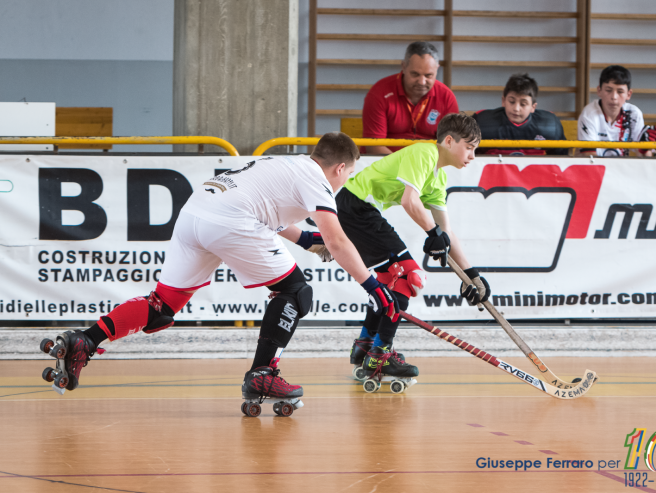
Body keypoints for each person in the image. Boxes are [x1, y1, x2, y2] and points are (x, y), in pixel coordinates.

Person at [39, 132, 399, 406]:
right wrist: (374, 287)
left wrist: (305, 240)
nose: (342, 183)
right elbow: (336, 240)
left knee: (161, 307)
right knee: (295, 291)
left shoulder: (282, 164)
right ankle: (262, 374)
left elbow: (263, 211)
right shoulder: (317, 178)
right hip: (229, 221)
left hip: (195, 215)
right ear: (340, 168)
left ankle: (84, 340)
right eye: (347, 176)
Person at [338, 113, 491, 383]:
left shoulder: (437, 179)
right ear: (448, 141)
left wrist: (472, 275)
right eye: (469, 147)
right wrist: (432, 232)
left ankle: (366, 346)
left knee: (388, 281)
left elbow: (447, 232)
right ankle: (380, 355)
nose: (472, 156)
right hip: (354, 206)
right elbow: (411, 201)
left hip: (356, 210)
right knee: (408, 277)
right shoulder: (425, 153)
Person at [362, 41, 459, 155]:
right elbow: (374, 147)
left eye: (429, 75)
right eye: (415, 74)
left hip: (429, 166)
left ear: (437, 69)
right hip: (386, 167)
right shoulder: (379, 93)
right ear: (403, 66)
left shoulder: (446, 97)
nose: (422, 82)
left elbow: (451, 145)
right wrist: (406, 168)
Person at [472, 73, 567, 156]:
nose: (516, 109)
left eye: (523, 104)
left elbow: (562, 160)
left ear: (533, 107)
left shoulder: (550, 125)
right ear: (503, 101)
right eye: (512, 101)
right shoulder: (481, 122)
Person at [577, 65, 656, 157]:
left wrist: (644, 150)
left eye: (620, 92)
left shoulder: (634, 114)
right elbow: (589, 156)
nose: (614, 97)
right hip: (596, 169)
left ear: (629, 94)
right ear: (599, 90)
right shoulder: (589, 114)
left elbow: (645, 159)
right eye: (608, 90)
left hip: (622, 169)